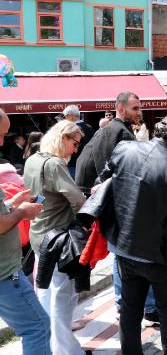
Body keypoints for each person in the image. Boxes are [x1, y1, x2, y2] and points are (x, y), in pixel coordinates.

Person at [97, 112, 167, 355]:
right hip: (160, 257)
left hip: (126, 248)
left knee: (131, 310)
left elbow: (103, 179)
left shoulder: (125, 149)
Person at [74, 92, 158, 325]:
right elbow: (119, 170)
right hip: (117, 203)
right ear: (121, 109)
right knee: (129, 253)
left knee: (121, 254)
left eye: (139, 108)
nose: (139, 112)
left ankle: (127, 304)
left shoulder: (109, 129)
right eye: (135, 108)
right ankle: (142, 306)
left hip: (110, 200)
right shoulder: (119, 132)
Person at [23, 120, 87, 355]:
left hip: (39, 235)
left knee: (45, 294)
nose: (76, 149)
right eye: (75, 143)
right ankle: (65, 350)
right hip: (59, 239)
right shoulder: (55, 165)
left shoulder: (32, 159)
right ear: (63, 138)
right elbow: (79, 201)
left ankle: (50, 346)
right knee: (62, 297)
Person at [0, 109, 49, 355]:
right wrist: (21, 213)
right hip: (4, 273)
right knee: (37, 327)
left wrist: (12, 203)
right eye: (0, 134)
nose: (2, 141)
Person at [62, 105, 94, 178]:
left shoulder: (71, 129)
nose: (64, 119)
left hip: (72, 164)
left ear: (72, 116)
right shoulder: (89, 127)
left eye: (65, 116)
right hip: (87, 164)